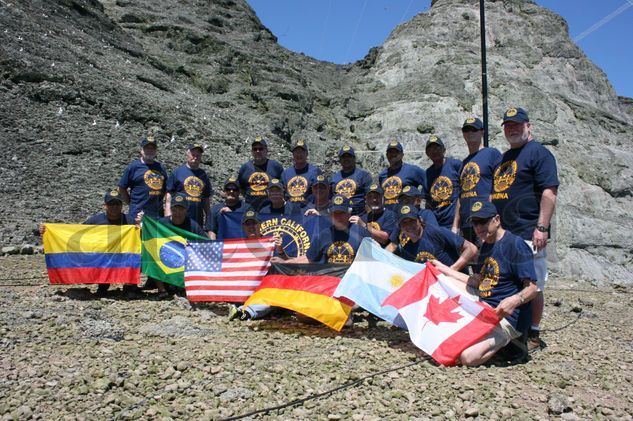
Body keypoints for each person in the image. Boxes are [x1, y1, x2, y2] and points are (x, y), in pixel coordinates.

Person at [431, 200, 538, 366]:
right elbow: (479, 281)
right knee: (443, 282)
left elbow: (532, 288)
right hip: (483, 305)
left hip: (506, 315)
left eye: (483, 222)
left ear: (496, 220)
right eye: (475, 224)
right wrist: (444, 270)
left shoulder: (515, 245)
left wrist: (515, 300)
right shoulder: (486, 245)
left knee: (467, 358)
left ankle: (512, 342)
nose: (478, 228)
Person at [491, 107, 559, 353]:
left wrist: (542, 227)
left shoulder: (539, 154)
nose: (513, 129)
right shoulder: (505, 157)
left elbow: (549, 191)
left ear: (529, 126)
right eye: (508, 126)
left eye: (517, 125)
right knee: (511, 281)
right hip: (505, 233)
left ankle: (533, 334)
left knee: (533, 284)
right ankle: (513, 330)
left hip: (529, 231)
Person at [39, 189, 136, 297]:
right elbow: (75, 234)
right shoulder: (95, 221)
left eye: (117, 203)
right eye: (111, 204)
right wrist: (47, 230)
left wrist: (139, 227)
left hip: (122, 255)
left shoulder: (130, 221)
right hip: (103, 256)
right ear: (104, 205)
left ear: (122, 205)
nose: (114, 207)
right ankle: (103, 285)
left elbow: (141, 235)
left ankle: (130, 285)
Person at [451, 117, 501, 244]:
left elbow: (499, 186)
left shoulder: (492, 153)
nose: (470, 133)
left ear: (482, 132)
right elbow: (460, 197)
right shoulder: (463, 163)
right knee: (473, 262)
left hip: (485, 219)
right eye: (466, 130)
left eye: (474, 130)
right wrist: (455, 225)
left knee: (489, 259)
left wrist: (493, 214)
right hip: (467, 222)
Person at [387, 205, 476, 271]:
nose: (409, 226)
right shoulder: (407, 250)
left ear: (420, 220)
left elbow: (471, 249)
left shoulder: (436, 232)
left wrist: (452, 270)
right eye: (404, 223)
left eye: (412, 221)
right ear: (400, 227)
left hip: (456, 283)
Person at [118, 136, 169, 220]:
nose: (150, 151)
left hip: (157, 215)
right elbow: (121, 187)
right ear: (141, 150)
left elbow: (166, 189)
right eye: (147, 148)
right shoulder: (133, 167)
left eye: (152, 148)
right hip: (138, 215)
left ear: (156, 151)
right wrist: (131, 203)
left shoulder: (160, 168)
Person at [165, 143, 212, 227]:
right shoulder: (177, 172)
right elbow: (168, 196)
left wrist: (209, 218)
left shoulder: (203, 175)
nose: (195, 157)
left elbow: (206, 200)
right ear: (187, 155)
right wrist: (167, 214)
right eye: (193, 154)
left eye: (198, 155)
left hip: (197, 220)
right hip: (178, 218)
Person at [424, 135, 462, 229]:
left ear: (444, 150)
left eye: (437, 147)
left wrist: (456, 225)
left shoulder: (456, 165)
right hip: (438, 225)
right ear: (427, 154)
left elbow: (464, 193)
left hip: (456, 224)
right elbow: (427, 202)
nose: (434, 151)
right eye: (431, 149)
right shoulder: (427, 173)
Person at [378, 140, 426, 211]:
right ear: (386, 155)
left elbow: (429, 181)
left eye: (396, 152)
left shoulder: (412, 170)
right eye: (390, 152)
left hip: (407, 216)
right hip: (389, 216)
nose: (393, 154)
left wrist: (421, 198)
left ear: (402, 154)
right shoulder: (383, 175)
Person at [237, 137, 284, 211]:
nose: (258, 151)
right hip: (250, 211)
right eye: (255, 149)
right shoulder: (245, 168)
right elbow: (241, 188)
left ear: (266, 150)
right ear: (252, 151)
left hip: (270, 211)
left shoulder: (276, 166)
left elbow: (282, 187)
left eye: (261, 149)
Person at [331, 146, 373, 216]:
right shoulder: (334, 178)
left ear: (354, 158)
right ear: (340, 160)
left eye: (349, 156)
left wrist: (368, 219)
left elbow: (370, 198)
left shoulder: (364, 175)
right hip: (340, 217)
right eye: (344, 157)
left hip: (359, 216)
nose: (346, 159)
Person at [280, 139, 322, 207]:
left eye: (302, 152)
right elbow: (281, 193)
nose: (299, 154)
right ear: (293, 154)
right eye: (297, 152)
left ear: (307, 154)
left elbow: (321, 193)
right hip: (289, 212)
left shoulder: (315, 171)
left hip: (308, 211)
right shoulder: (286, 173)